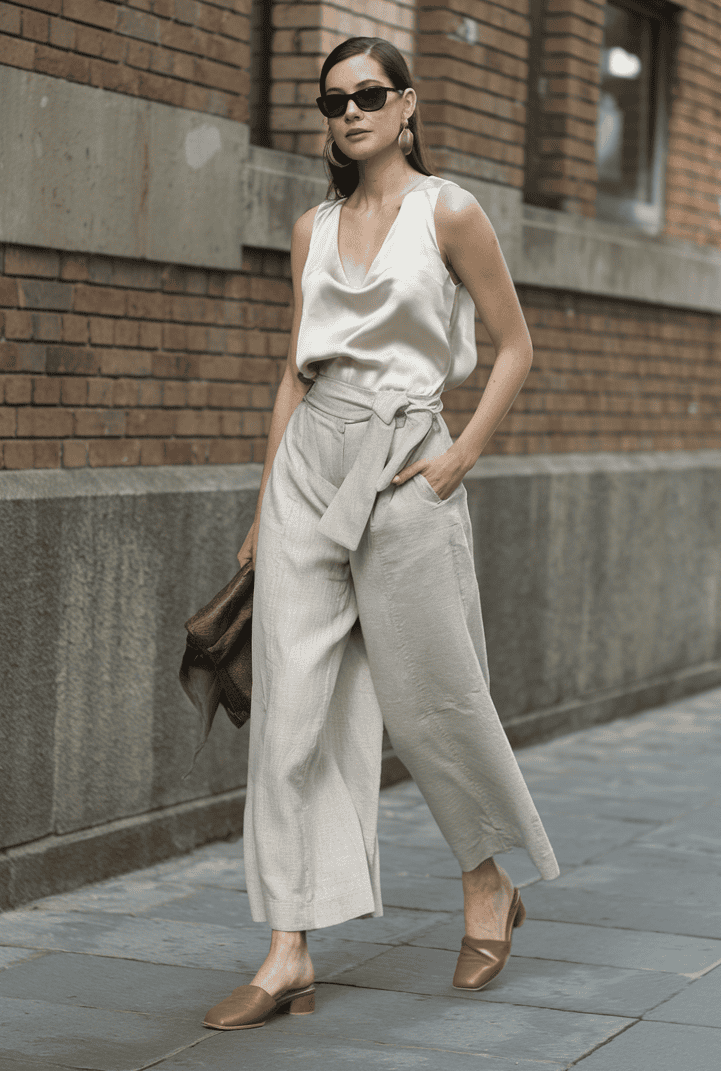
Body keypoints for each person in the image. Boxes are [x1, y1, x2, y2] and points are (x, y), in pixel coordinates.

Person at [203, 35, 559, 1032]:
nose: (349, 112)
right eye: (332, 101)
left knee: (433, 698)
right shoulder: (311, 228)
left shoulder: (448, 211)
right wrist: (264, 500)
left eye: (368, 95)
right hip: (310, 473)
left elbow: (515, 345)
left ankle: (487, 882)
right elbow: (295, 372)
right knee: (288, 719)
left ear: (407, 104)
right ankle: (287, 950)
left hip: (408, 467)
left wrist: (460, 458)